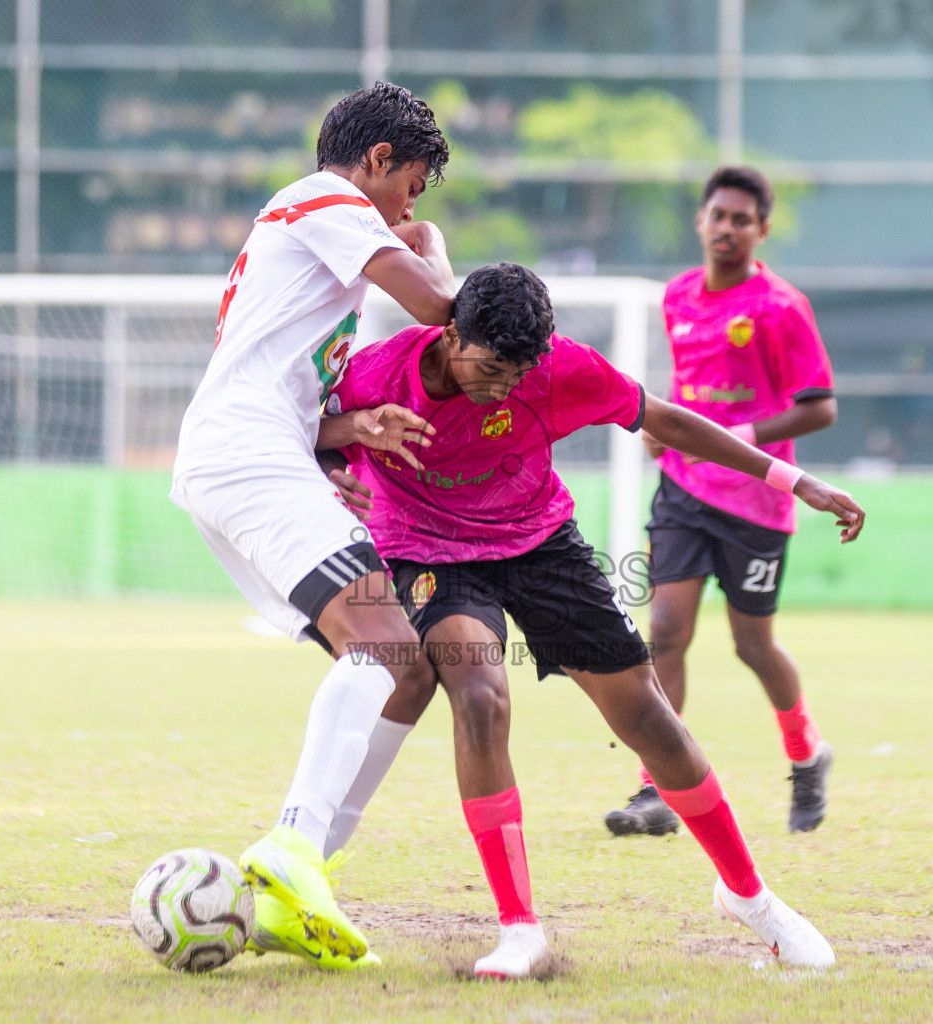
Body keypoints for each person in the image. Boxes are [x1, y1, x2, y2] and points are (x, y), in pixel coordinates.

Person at [323, 263, 865, 977]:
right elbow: (306, 431)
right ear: (449, 334)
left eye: (519, 373)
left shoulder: (557, 370)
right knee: (481, 696)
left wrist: (796, 479)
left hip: (539, 542)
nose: (505, 388)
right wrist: (341, 449)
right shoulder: (374, 374)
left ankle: (751, 898)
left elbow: (666, 418)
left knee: (647, 715)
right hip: (430, 552)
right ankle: (520, 929)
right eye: (491, 368)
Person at [169, 81, 457, 969]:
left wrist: (350, 431)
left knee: (408, 669)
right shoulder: (326, 198)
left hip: (257, 453)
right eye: (412, 185)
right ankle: (292, 846)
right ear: (376, 163)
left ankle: (300, 881)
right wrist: (435, 251)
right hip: (246, 455)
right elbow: (443, 311)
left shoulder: (314, 236)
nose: (412, 207)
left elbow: (286, 385)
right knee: (383, 639)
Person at [604, 166, 843, 838]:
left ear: (761, 230)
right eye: (718, 215)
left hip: (758, 503)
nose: (727, 228)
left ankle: (807, 753)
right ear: (701, 220)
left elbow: (820, 408)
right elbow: (690, 388)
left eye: (742, 219)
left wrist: (736, 437)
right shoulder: (679, 296)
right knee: (667, 632)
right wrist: (665, 429)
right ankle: (659, 788)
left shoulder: (781, 307)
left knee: (752, 645)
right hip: (682, 491)